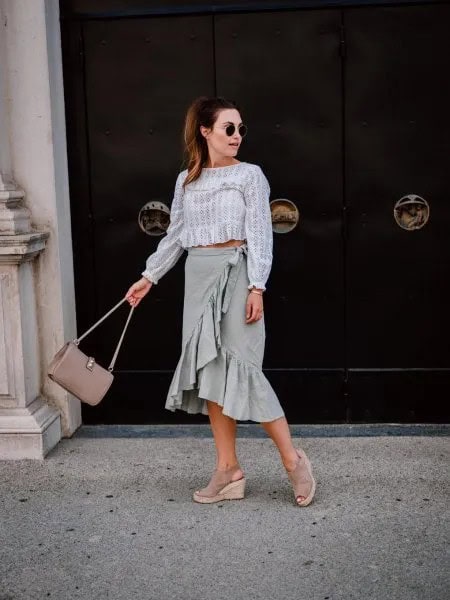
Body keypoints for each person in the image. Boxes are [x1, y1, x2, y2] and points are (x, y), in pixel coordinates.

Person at [125, 96, 316, 507]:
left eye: (241, 129)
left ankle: (292, 460)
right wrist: (148, 277)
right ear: (205, 131)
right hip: (198, 275)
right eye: (229, 128)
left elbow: (261, 234)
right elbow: (176, 234)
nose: (237, 136)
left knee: (245, 369)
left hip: (238, 275)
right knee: (211, 372)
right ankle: (228, 469)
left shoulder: (251, 176)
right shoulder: (186, 181)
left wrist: (257, 286)